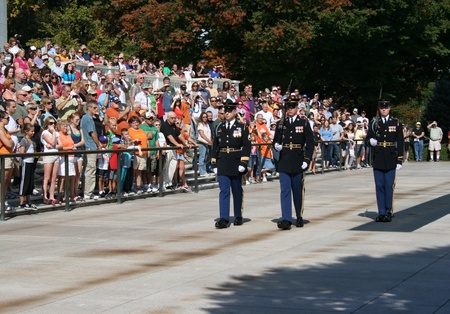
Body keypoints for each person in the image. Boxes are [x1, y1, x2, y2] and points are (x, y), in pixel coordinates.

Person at [273, 101, 314, 230]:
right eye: (287, 108)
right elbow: (275, 140)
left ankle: (299, 215)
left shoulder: (304, 123)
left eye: (292, 108)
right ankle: (286, 219)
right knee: (285, 190)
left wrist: (307, 160)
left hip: (297, 159)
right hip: (284, 160)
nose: (289, 110)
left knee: (297, 190)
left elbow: (310, 143)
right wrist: (276, 146)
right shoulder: (281, 123)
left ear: (297, 108)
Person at [211, 100, 251, 229]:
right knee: (224, 190)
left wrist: (243, 162)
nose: (226, 113)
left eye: (229, 111)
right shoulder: (220, 127)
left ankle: (238, 215)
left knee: (237, 190)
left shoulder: (242, 127)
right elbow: (215, 146)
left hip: (235, 161)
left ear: (235, 112)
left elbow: (246, 146)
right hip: (223, 161)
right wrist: (214, 162)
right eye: (225, 111)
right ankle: (224, 218)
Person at [367, 100, 404, 222]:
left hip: (390, 157)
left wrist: (399, 160)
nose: (384, 109)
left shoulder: (396, 122)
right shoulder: (374, 122)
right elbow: (368, 138)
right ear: (379, 109)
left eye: (386, 107)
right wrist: (370, 141)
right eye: (381, 108)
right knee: (379, 186)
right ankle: (381, 212)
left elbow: (400, 142)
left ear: (389, 109)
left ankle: (388, 211)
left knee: (389, 185)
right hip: (378, 157)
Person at [18, 123, 38, 210]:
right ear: (26, 131)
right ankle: (21, 202)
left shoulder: (32, 141)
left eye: (33, 131)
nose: (33, 133)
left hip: (31, 163)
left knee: (30, 182)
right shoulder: (24, 141)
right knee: (24, 182)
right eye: (31, 131)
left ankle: (29, 201)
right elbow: (22, 153)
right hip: (25, 163)